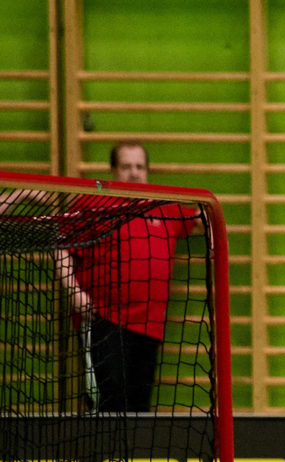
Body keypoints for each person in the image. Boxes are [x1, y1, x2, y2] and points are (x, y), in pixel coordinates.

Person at [58, 141, 203, 411]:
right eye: (126, 166)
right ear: (113, 170)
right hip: (103, 322)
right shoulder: (94, 202)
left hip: (149, 327)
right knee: (109, 405)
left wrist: (215, 226)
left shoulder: (162, 205)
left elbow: (200, 218)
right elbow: (60, 245)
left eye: (139, 166)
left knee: (138, 409)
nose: (134, 173)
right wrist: (74, 292)